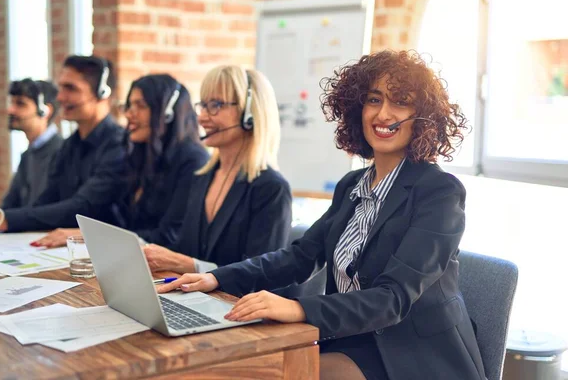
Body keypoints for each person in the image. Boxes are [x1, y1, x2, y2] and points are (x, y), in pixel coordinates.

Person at [158, 51, 486, 380]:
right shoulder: (351, 185)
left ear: (423, 117)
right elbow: (302, 256)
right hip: (350, 337)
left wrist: (298, 307)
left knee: (269, 374)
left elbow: (394, 298)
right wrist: (218, 278)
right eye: (374, 99)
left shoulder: (440, 192)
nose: (383, 113)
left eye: (400, 101)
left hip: (414, 355)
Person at [143, 65, 292, 275]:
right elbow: (185, 250)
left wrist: (191, 267)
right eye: (202, 105)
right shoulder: (201, 179)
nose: (202, 117)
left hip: (236, 306)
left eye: (216, 105)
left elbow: (262, 277)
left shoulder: (271, 188)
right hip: (192, 299)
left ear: (250, 113)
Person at [32, 74, 208, 247]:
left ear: (167, 114)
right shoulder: (142, 156)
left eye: (140, 106)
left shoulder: (192, 160)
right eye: (129, 105)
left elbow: (168, 237)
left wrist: (93, 236)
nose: (130, 114)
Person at [0, 55, 127, 232]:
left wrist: (8, 220)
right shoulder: (70, 145)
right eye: (61, 88)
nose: (60, 97)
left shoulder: (119, 143)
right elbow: (47, 200)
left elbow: (83, 207)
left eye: (71, 88)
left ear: (102, 93)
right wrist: (2, 219)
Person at [3, 79, 63, 209]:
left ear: (45, 111)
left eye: (20, 104)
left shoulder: (62, 152)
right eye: (11, 103)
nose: (11, 110)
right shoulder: (28, 154)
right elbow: (9, 205)